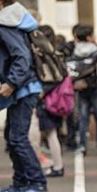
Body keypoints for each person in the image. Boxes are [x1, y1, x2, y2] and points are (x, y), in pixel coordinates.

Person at [0, 0, 49, 192]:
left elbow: (22, 57)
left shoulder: (7, 22)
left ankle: (37, 184)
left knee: (17, 138)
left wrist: (11, 83)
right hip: (25, 88)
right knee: (12, 137)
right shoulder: (13, 18)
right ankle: (21, 182)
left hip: (23, 88)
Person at [73, 24, 97, 156]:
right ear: (89, 37)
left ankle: (82, 146)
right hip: (95, 87)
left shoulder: (75, 50)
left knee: (83, 117)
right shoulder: (96, 50)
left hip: (81, 88)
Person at [37, 24, 65, 176]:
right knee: (52, 133)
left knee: (51, 134)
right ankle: (57, 165)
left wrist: (41, 92)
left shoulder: (47, 56)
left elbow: (53, 78)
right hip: (56, 100)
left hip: (47, 99)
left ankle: (58, 166)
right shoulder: (57, 54)